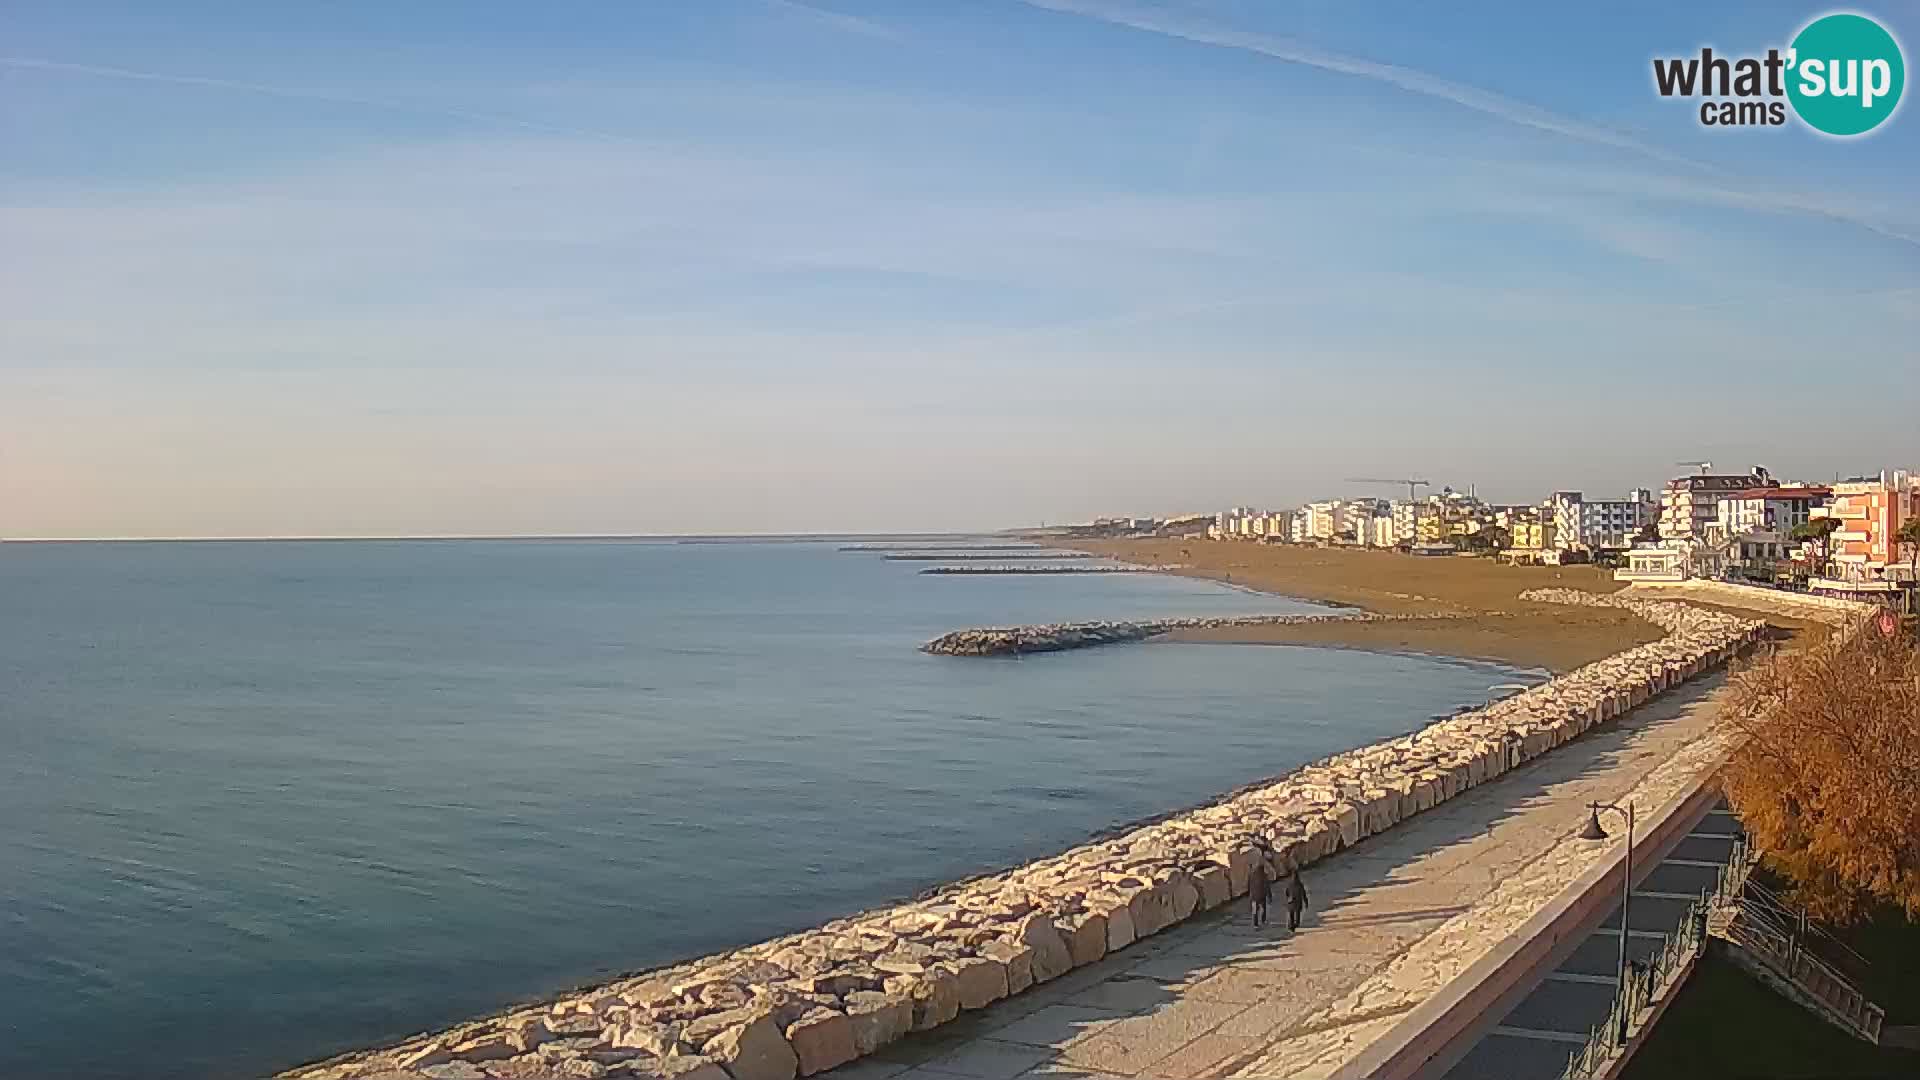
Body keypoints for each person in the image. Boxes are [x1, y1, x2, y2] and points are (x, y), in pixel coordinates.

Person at [1248, 854, 1272, 927]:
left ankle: (1255, 924)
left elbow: (1249, 885)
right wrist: (1269, 896)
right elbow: (1267, 886)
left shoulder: (1252, 875)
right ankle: (1263, 920)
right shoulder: (1264, 876)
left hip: (1254, 896)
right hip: (1262, 896)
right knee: (1263, 909)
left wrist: (1250, 895)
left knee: (1255, 911)